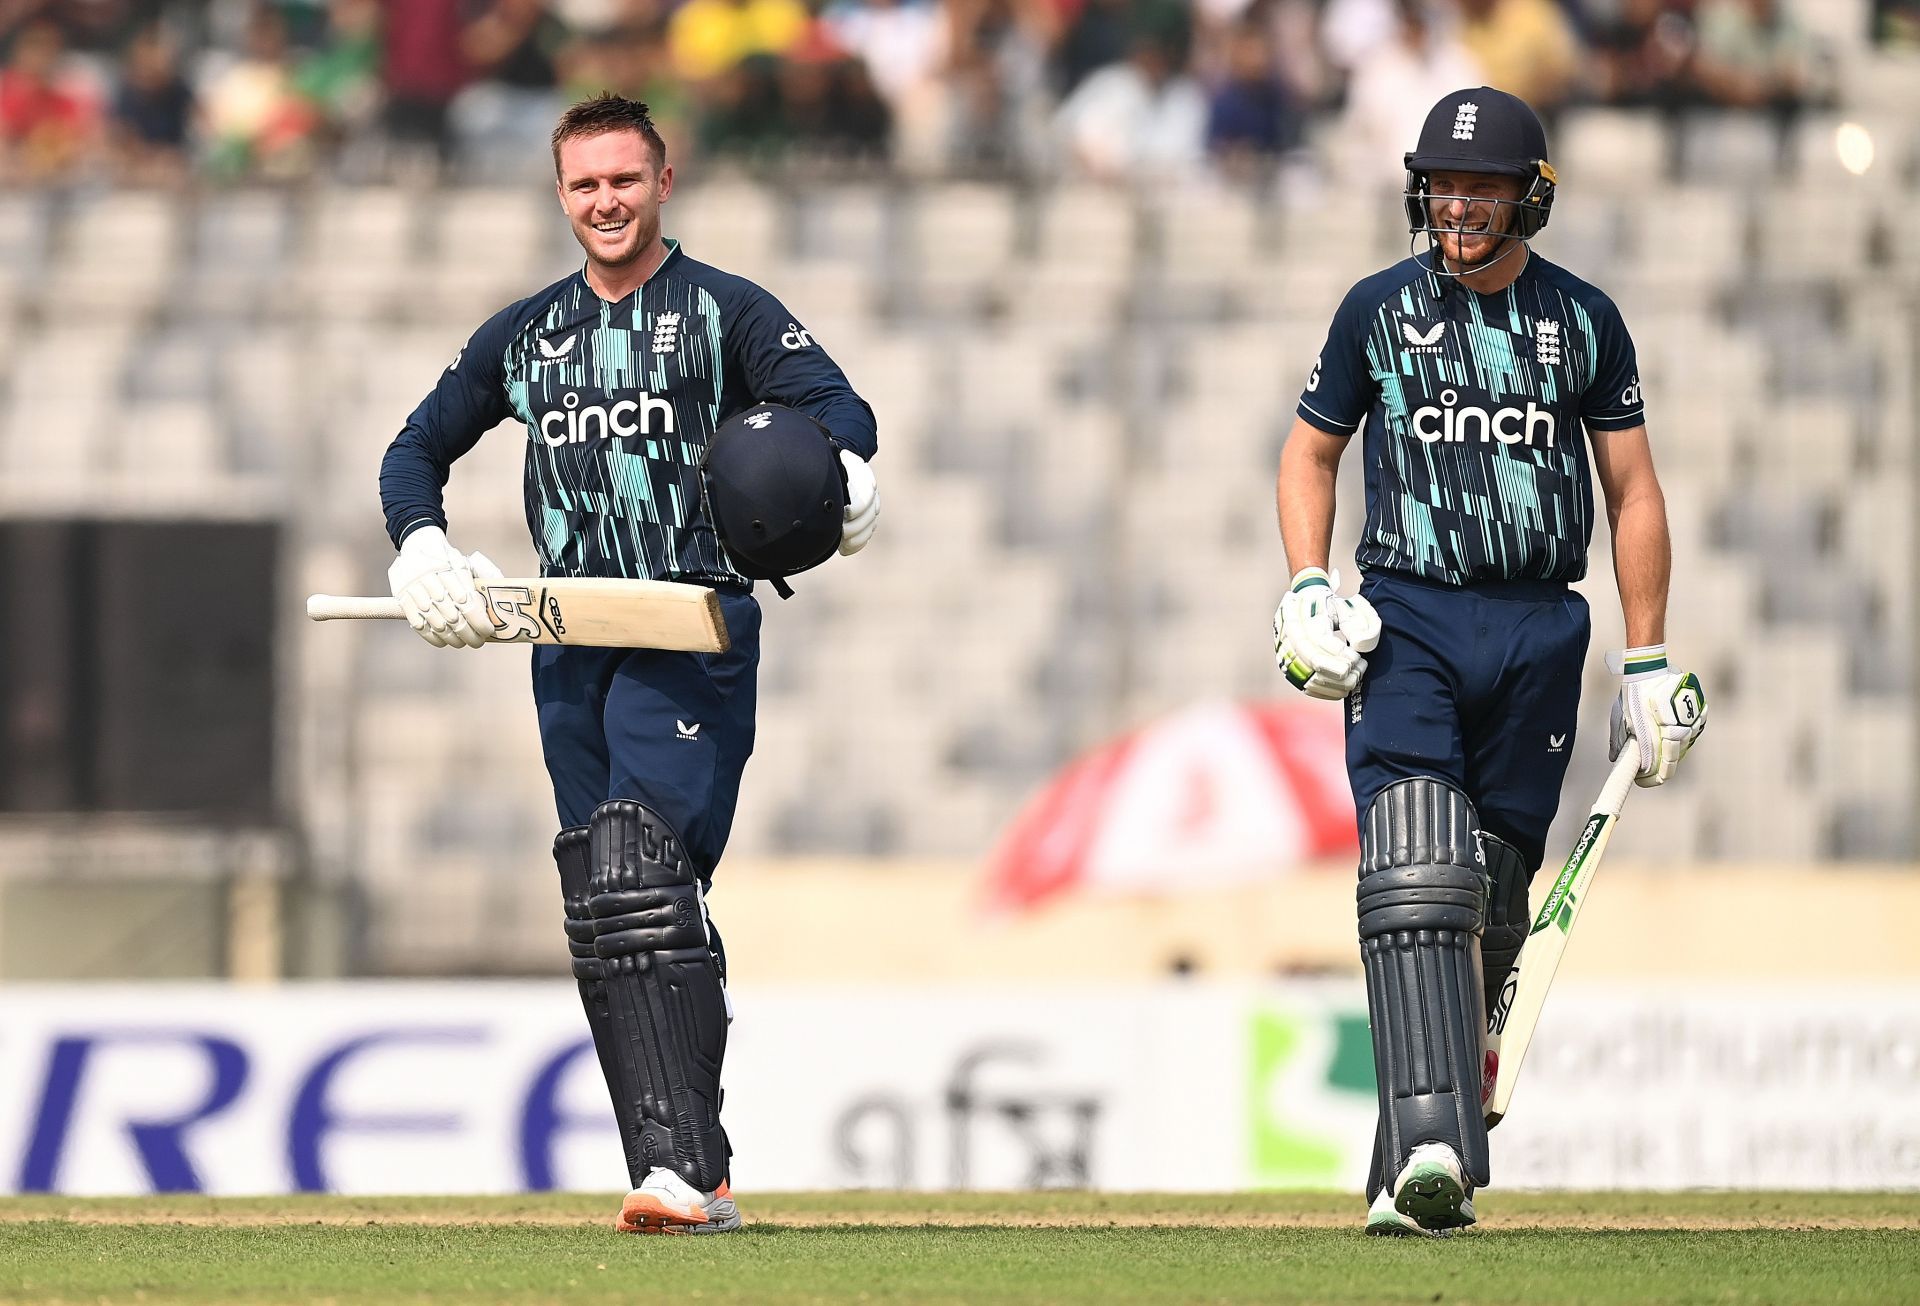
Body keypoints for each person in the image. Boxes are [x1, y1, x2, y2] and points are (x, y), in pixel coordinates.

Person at [376, 93, 880, 1234]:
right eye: (585, 184)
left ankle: (680, 1173)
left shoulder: (726, 311)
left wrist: (845, 472)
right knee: (606, 904)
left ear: (664, 183)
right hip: (565, 639)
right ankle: (690, 1172)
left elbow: (839, 409)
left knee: (634, 870)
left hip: (686, 624)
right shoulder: (526, 332)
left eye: (625, 180)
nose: (606, 201)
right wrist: (422, 544)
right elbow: (414, 448)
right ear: (561, 196)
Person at [1270, 87, 1706, 1235]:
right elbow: (1310, 455)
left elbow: (1634, 490)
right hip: (1407, 614)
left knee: (1491, 901)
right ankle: (1429, 1142)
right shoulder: (1377, 309)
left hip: (1538, 630)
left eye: (1482, 186)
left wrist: (1649, 656)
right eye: (1443, 183)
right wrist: (1311, 582)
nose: (1456, 203)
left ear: (1531, 198)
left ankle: (1414, 1171)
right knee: (1419, 860)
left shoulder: (1585, 322)